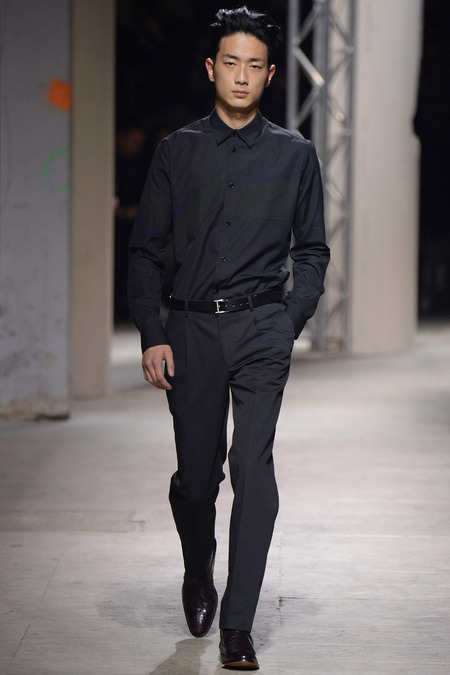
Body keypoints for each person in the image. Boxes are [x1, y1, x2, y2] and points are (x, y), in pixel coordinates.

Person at [128, 6, 330, 670]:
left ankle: (238, 625)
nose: (242, 76)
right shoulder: (177, 152)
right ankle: (198, 568)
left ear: (270, 76)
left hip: (261, 326)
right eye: (231, 63)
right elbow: (146, 251)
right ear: (212, 69)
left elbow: (312, 249)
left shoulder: (295, 155)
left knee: (252, 466)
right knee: (196, 479)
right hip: (189, 329)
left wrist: (288, 320)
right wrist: (153, 332)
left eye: (255, 65)